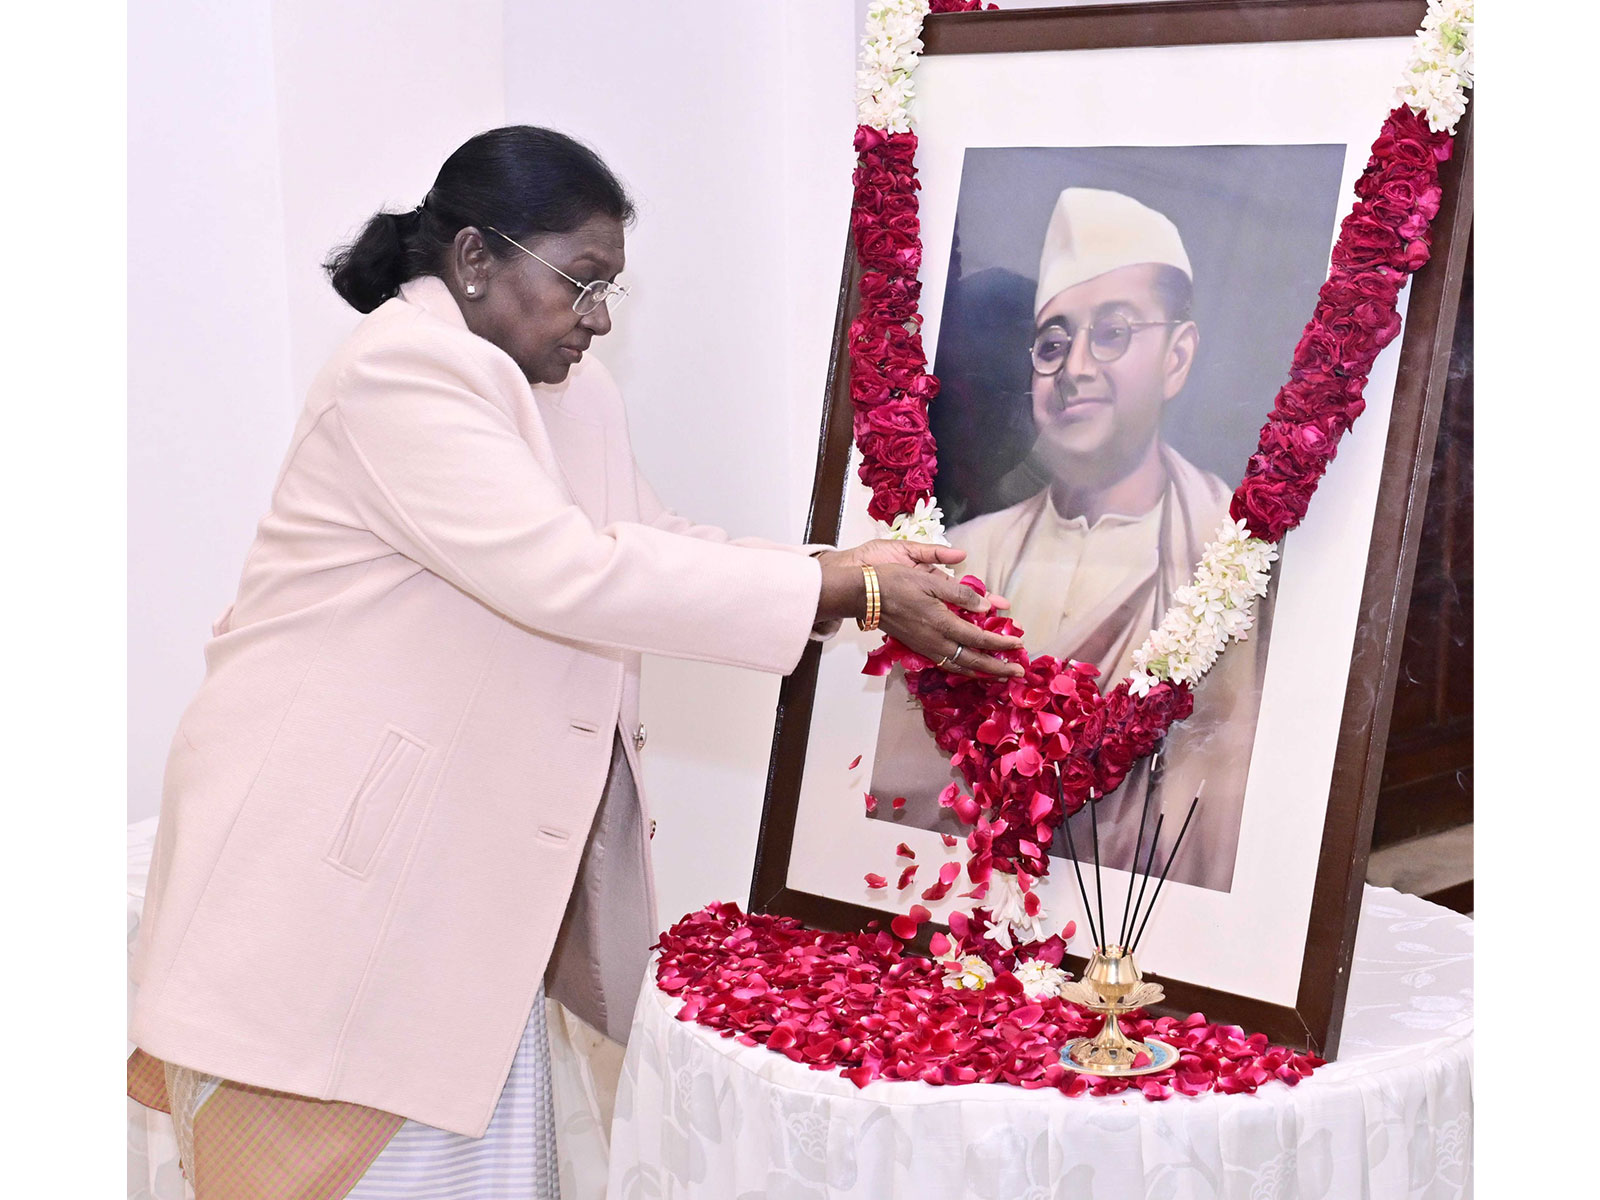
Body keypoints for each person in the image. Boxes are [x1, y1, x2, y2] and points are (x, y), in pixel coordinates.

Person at [126, 125, 1024, 1199]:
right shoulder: (398, 370)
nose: (598, 319)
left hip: (466, 883)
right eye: (581, 284)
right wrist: (843, 589)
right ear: (473, 260)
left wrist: (838, 570)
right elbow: (570, 574)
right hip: (346, 871)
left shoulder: (566, 390)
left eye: (611, 292)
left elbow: (647, 542)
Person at [870, 187, 1268, 894]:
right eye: (1053, 344)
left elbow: (1227, 793)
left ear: (1177, 357)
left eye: (1112, 333)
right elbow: (903, 791)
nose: (1075, 368)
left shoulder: (1235, 551)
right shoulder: (970, 553)